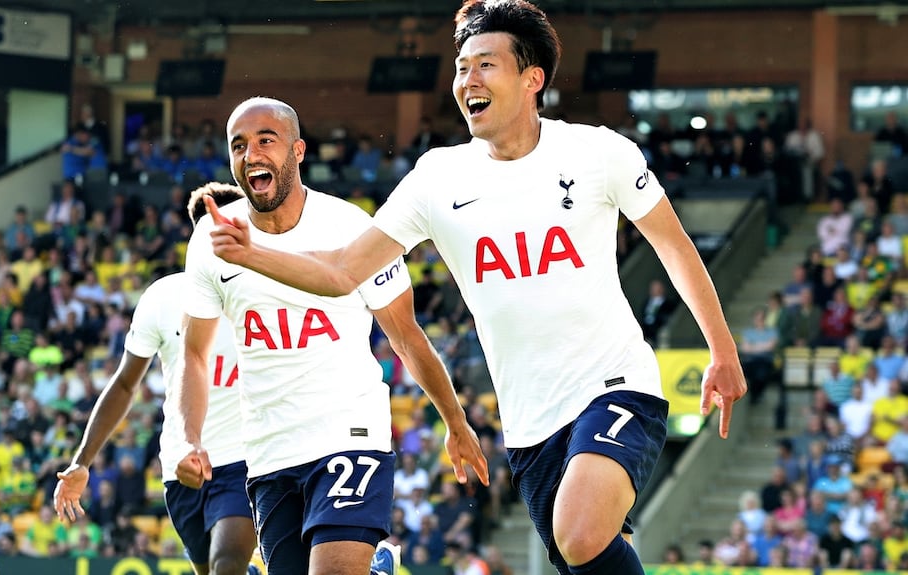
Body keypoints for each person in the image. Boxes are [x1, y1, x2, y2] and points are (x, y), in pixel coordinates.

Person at [199, 2, 746, 574]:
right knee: (584, 552)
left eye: (485, 65)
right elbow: (342, 272)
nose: (468, 81)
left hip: (615, 384)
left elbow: (673, 244)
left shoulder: (597, 153)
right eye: (461, 68)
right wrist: (251, 253)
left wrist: (722, 349)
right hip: (530, 425)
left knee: (581, 532)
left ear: (532, 79)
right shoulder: (438, 178)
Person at [177, 99, 487, 575]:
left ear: (298, 151)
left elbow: (405, 335)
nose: (252, 153)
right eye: (239, 145)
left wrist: (455, 421)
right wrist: (189, 438)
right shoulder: (210, 241)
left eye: (266, 140)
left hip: (349, 434)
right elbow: (195, 355)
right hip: (268, 450)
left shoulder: (351, 228)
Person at [52, 185, 258, 575]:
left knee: (226, 565)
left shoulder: (265, 295)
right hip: (181, 469)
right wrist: (82, 462)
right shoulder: (163, 298)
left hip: (245, 462)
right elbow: (126, 384)